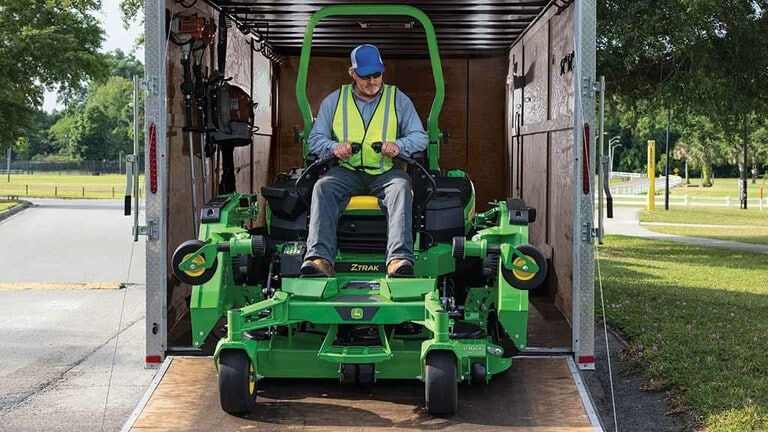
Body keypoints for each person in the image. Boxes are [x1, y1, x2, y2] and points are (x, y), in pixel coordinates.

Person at [300, 43, 428, 278]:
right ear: (352, 73)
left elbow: (420, 137)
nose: (372, 81)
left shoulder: (397, 99)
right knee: (322, 186)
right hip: (346, 171)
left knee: (401, 187)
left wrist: (399, 146)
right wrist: (334, 148)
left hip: (386, 171)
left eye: (376, 74)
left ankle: (399, 259)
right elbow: (315, 140)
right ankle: (319, 258)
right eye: (365, 76)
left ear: (382, 71)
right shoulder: (334, 101)